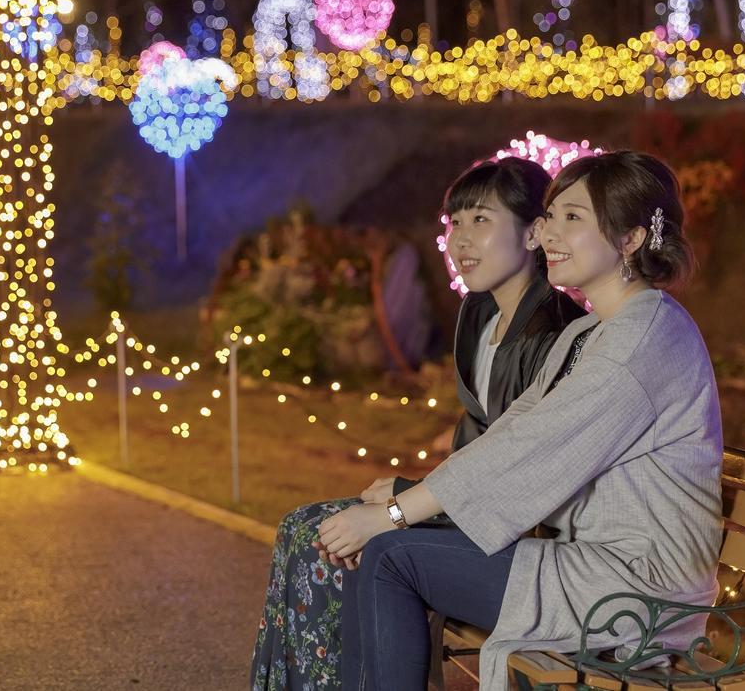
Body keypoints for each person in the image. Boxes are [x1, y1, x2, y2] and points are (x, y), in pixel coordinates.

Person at [318, 150, 724, 691]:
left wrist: (395, 514)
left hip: (636, 592)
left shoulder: (643, 339)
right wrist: (414, 497)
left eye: (572, 218)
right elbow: (513, 431)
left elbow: (532, 448)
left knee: (394, 556)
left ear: (629, 240)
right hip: (587, 565)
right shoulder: (592, 332)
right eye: (551, 215)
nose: (549, 231)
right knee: (389, 549)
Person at [249, 157, 585, 690]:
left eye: (481, 220)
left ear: (531, 234)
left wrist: (406, 504)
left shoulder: (553, 331)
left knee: (338, 544)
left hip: (517, 529)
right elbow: (477, 441)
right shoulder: (480, 315)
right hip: (469, 507)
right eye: (455, 223)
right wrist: (415, 499)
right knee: (300, 528)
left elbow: (521, 471)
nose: (460, 240)